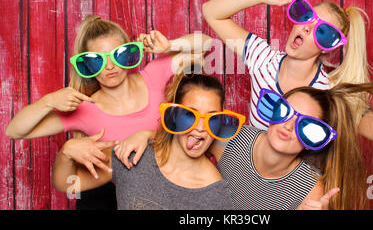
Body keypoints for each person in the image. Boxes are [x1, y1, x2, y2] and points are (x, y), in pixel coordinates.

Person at [201, 0, 373, 151]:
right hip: (248, 176)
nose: (307, 28)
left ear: (328, 47)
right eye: (305, 16)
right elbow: (211, 12)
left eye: (323, 32)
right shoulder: (262, 58)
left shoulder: (330, 94)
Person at [5, 15, 211, 209]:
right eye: (98, 60)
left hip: (172, 194)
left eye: (117, 55)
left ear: (129, 53)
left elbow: (207, 43)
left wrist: (170, 45)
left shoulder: (154, 75)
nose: (110, 66)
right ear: (86, 65)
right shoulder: (85, 109)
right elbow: (15, 131)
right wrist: (47, 101)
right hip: (125, 199)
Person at [211, 70, 373, 210]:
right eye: (284, 111)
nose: (288, 125)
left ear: (314, 139)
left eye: (305, 126)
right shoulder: (231, 138)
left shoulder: (310, 189)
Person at [52, 73, 245, 210]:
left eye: (212, 118)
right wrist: (66, 153)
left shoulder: (215, 195)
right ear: (173, 115)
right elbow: (68, 185)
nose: (201, 127)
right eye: (189, 115)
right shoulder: (132, 156)